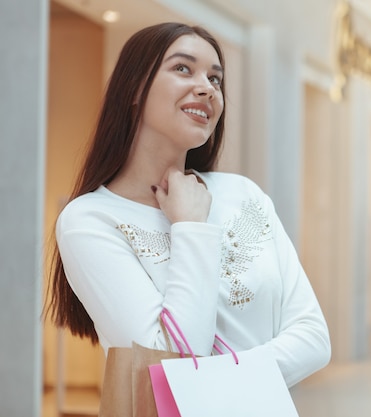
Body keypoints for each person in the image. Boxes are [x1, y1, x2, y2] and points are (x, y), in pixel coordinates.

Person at [45, 22, 331, 389]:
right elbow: (171, 361)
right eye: (183, 68)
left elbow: (313, 338)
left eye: (215, 78)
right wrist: (191, 227)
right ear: (134, 88)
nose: (207, 88)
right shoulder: (90, 220)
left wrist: (210, 385)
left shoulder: (244, 195)